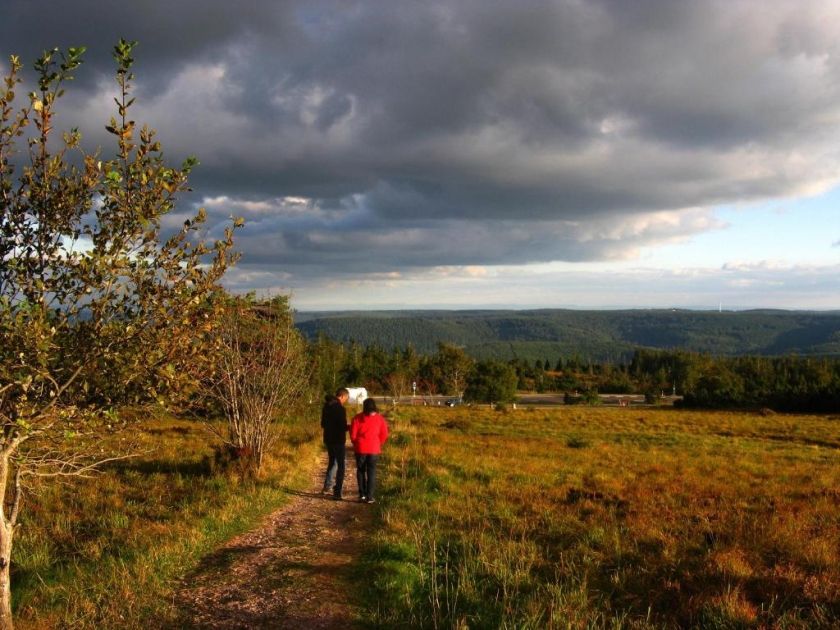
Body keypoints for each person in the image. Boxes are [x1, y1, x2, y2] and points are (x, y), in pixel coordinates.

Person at [350, 397, 389, 504]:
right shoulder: (380, 418)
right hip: (374, 449)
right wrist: (378, 443)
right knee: (372, 472)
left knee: (361, 471)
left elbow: (353, 435)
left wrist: (356, 443)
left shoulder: (357, 418)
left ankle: (362, 494)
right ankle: (370, 496)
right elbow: (384, 434)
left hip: (360, 448)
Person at [321, 387, 349, 499]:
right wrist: (349, 427)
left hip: (328, 439)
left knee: (332, 462)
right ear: (342, 396)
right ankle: (337, 492)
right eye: (346, 398)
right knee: (341, 465)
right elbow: (342, 426)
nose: (345, 401)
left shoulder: (326, 406)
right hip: (338, 440)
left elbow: (322, 424)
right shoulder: (340, 408)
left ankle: (327, 486)